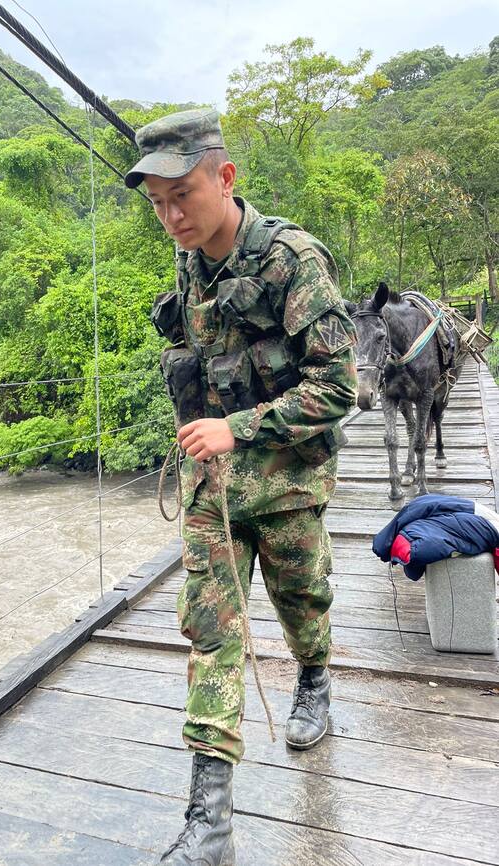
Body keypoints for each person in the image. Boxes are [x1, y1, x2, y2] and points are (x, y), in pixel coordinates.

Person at [124, 108, 357, 866]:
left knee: (302, 600)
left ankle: (314, 678)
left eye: (182, 195)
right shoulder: (189, 263)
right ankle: (211, 821)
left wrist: (239, 426)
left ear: (225, 178)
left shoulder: (294, 260)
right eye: (157, 203)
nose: (171, 217)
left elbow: (339, 388)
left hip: (287, 482)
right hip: (214, 487)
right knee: (211, 630)